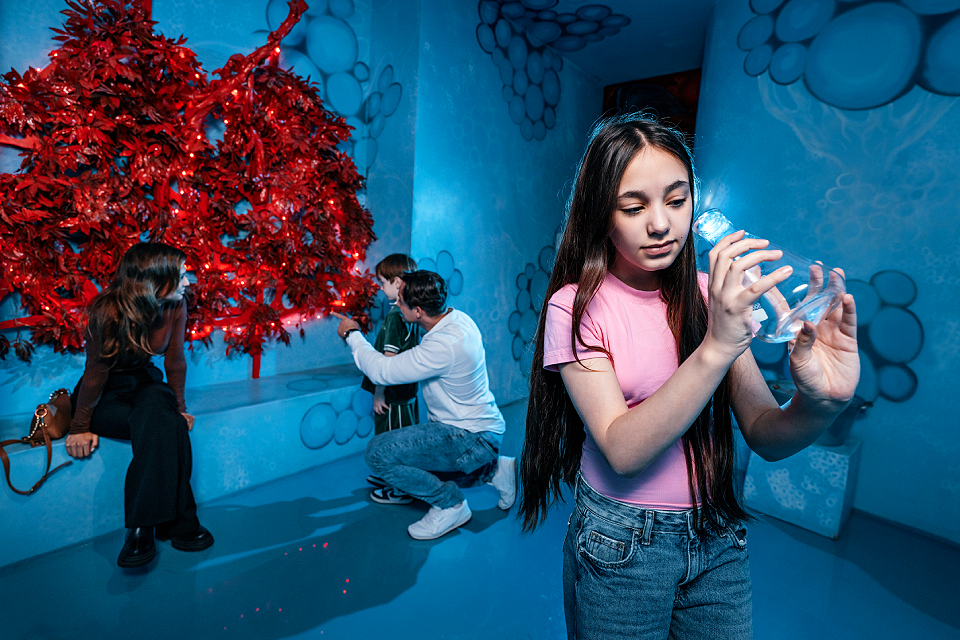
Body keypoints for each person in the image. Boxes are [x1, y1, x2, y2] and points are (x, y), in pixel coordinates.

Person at [518, 114, 859, 639]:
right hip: (621, 541)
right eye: (634, 207)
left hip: (717, 535)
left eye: (677, 201)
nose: (661, 224)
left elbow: (765, 434)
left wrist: (821, 404)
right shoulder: (576, 305)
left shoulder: (706, 293)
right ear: (600, 213)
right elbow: (622, 450)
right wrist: (716, 346)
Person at [332, 270, 516, 540]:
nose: (396, 304)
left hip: (469, 437)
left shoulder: (444, 345)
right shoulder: (457, 319)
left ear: (418, 311)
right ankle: (495, 471)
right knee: (413, 462)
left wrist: (352, 334)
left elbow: (381, 371)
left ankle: (450, 505)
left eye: (401, 301)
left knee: (378, 454)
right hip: (482, 430)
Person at [65, 242, 213, 568]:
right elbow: (96, 373)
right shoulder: (107, 310)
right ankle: (181, 523)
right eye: (180, 275)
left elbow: (175, 360)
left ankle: (141, 529)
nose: (187, 282)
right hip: (106, 394)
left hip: (146, 385)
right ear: (153, 278)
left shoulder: (176, 305)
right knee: (165, 424)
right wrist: (79, 427)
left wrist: (180, 408)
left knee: (163, 413)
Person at [359, 254, 422, 499]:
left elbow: (387, 363)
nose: (380, 287)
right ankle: (389, 474)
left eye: (383, 282)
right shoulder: (412, 313)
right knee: (400, 437)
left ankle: (402, 487)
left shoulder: (396, 316)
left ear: (397, 282)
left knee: (394, 441)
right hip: (406, 391)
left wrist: (378, 394)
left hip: (394, 395)